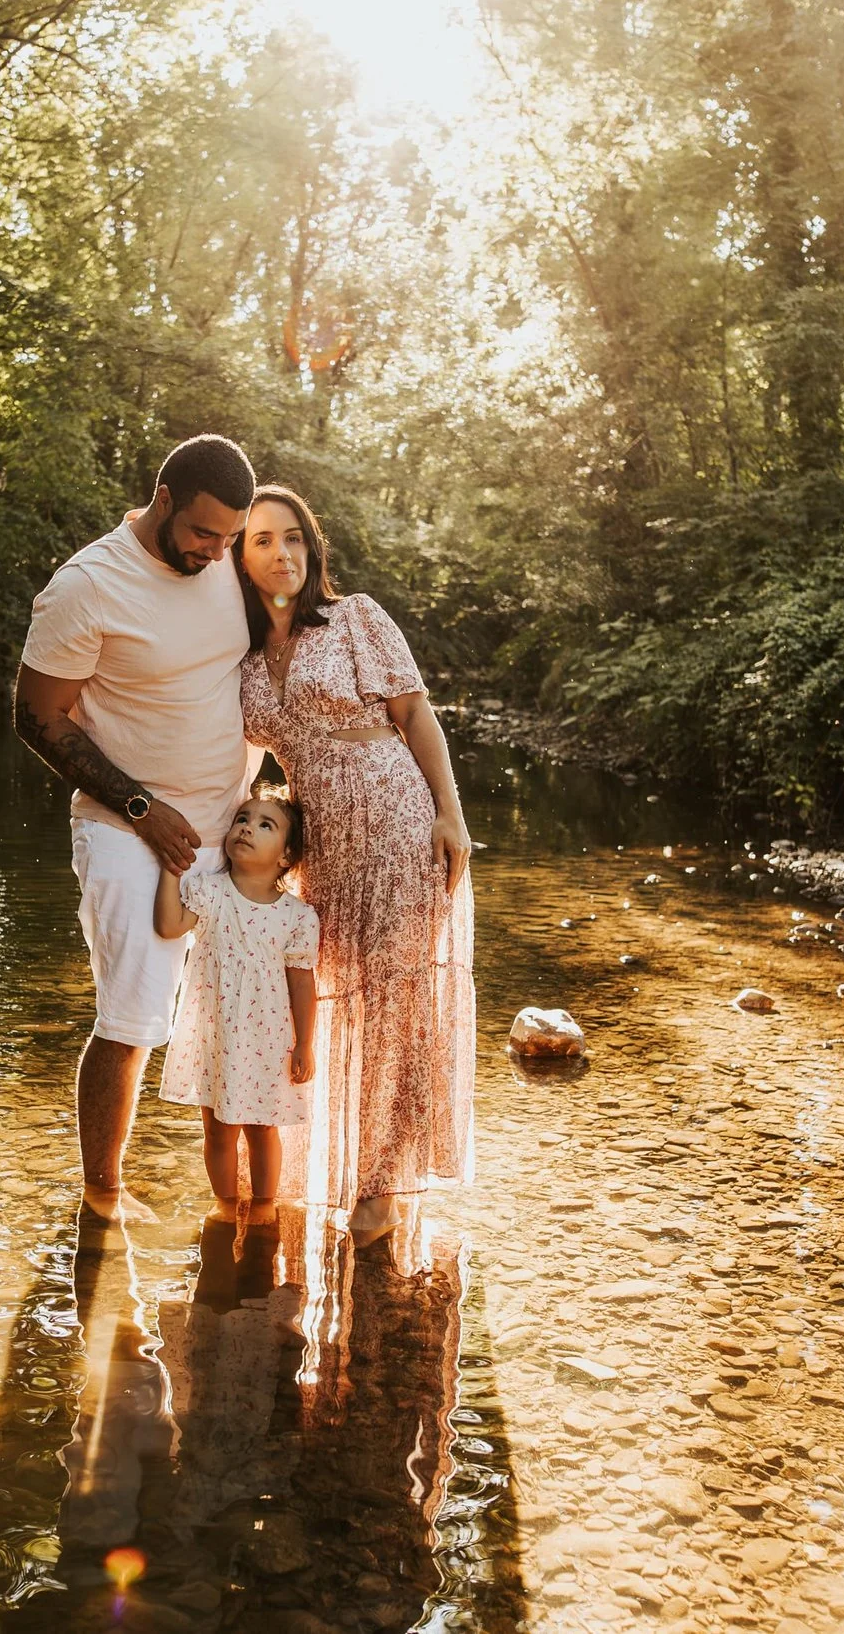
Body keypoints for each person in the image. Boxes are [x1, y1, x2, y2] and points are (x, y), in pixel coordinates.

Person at [14, 433, 259, 1223]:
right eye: (202, 533)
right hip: (128, 826)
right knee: (132, 1014)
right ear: (163, 500)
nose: (216, 551)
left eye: (228, 537)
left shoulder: (228, 561)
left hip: (231, 828)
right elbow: (35, 716)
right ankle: (103, 1195)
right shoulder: (89, 585)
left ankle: (237, 1193)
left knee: (236, 1010)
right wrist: (142, 811)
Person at [234, 484, 476, 1242]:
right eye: (265, 540)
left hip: (398, 820)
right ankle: (314, 1163)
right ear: (240, 560)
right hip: (324, 845)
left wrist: (451, 812)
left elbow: (415, 715)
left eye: (295, 537)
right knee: (333, 989)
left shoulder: (355, 618)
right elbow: (234, 761)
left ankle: (382, 1183)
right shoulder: (238, 657)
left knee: (398, 998)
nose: (285, 553)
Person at [152, 789, 320, 1225]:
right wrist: (171, 872)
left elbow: (302, 983)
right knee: (218, 1128)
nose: (246, 827)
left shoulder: (297, 917)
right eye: (243, 818)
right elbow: (170, 926)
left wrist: (305, 1044)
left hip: (268, 1038)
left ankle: (265, 1207)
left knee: (263, 1127)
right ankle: (225, 1206)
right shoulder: (209, 892)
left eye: (266, 824)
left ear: (286, 857)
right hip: (216, 1034)